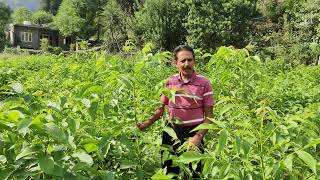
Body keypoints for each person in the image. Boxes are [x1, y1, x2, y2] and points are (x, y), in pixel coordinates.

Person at [137, 45, 214, 178]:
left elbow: (209, 116)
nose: (186, 64)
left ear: (194, 61)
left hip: (194, 133)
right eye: (182, 61)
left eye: (189, 60)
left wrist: (198, 136)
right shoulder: (170, 82)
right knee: (169, 171)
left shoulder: (204, 83)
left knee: (194, 173)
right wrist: (145, 124)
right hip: (171, 132)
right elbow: (161, 109)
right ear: (175, 63)